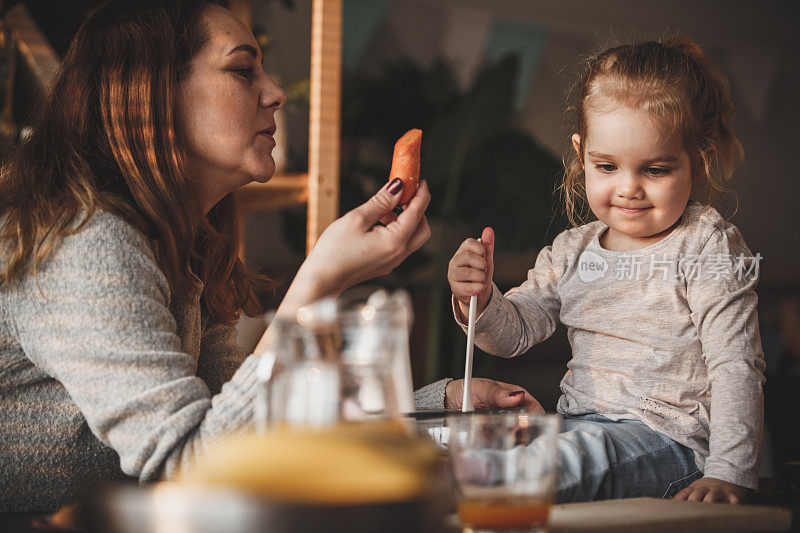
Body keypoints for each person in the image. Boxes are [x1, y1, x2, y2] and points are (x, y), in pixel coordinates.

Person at [0, 0, 537, 512]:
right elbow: (194, 471)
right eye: (242, 71)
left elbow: (250, 429)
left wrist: (437, 406)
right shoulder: (86, 242)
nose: (276, 93)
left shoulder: (182, 250)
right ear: (151, 94)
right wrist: (317, 285)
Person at [448, 37, 765, 504]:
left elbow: (737, 365)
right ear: (582, 155)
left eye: (654, 170)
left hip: (670, 445)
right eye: (608, 165)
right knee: (484, 448)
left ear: (699, 163)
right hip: (577, 429)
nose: (628, 188)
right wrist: (477, 295)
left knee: (561, 460)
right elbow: (511, 335)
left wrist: (729, 473)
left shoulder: (707, 245)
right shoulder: (572, 251)